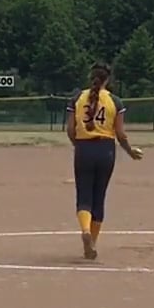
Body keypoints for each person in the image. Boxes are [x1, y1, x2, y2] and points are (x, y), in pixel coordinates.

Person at [63, 62, 142, 261]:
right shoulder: (115, 101)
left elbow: (70, 129)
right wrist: (130, 151)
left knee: (84, 196)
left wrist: (78, 145)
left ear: (91, 77)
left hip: (83, 149)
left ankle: (85, 230)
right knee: (99, 196)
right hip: (106, 150)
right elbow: (120, 134)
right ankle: (92, 242)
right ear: (108, 79)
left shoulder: (77, 98)